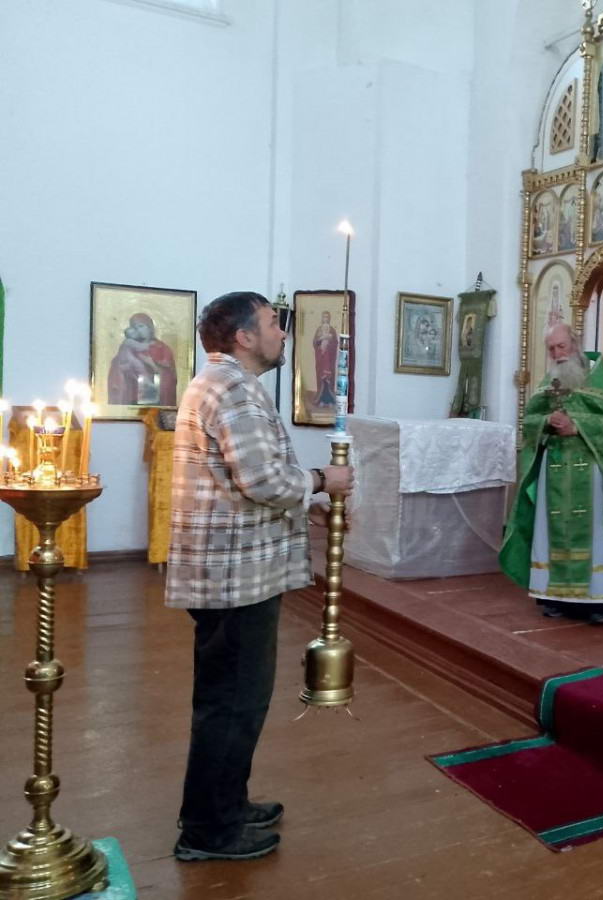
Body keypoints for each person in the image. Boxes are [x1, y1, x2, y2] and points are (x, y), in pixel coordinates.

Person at [166, 291, 355, 861]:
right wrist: (322, 480)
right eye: (274, 323)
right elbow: (263, 481)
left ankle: (222, 805)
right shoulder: (234, 389)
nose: (283, 332)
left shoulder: (223, 384)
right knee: (234, 702)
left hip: (233, 569)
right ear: (244, 337)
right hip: (235, 575)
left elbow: (247, 478)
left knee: (228, 697)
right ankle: (209, 832)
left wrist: (306, 502)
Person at [500, 323, 603, 624]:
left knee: (595, 535)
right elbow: (529, 421)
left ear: (575, 344)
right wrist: (546, 421)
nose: (557, 353)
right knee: (548, 534)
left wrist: (577, 426)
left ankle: (597, 602)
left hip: (590, 470)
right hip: (553, 468)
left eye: (561, 346)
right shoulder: (549, 382)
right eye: (551, 348)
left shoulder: (597, 378)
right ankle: (554, 597)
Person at [108, 312, 178, 406]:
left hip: (155, 400)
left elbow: (170, 375)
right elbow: (117, 369)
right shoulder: (129, 345)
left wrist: (152, 364)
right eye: (135, 327)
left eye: (141, 326)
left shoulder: (162, 349)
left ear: (150, 327)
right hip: (132, 397)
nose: (139, 330)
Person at [312, 310, 338, 407]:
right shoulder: (319, 330)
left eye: (327, 317)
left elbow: (335, 343)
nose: (325, 319)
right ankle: (321, 400)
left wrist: (329, 341)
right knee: (321, 379)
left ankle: (330, 400)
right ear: (322, 318)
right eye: (324, 317)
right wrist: (322, 339)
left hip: (329, 359)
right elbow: (315, 343)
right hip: (321, 359)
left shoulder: (332, 330)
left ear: (329, 318)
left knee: (328, 379)